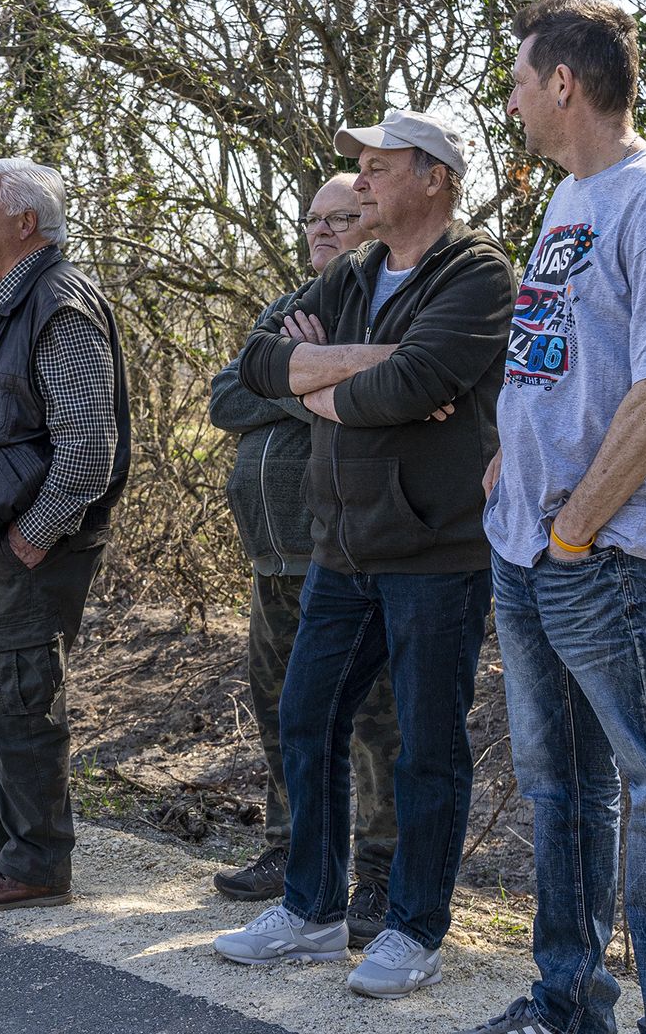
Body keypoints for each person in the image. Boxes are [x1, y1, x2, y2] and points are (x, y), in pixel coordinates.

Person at [461, 0, 646, 1034]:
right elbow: (565, 357)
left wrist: (578, 525)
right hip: (527, 547)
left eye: (521, 80)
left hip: (608, 554)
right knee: (562, 791)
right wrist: (511, 455)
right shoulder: (570, 199)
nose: (515, 99)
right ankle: (569, 1004)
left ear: (564, 84)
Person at [218, 109, 515, 1001]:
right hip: (339, 549)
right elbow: (258, 364)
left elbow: (420, 382)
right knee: (305, 718)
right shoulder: (351, 274)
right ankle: (309, 911)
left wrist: (333, 380)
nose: (359, 185)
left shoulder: (478, 274)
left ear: (432, 178)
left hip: (435, 551)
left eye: (378, 168)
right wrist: (361, 372)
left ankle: (415, 927)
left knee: (427, 746)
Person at [0, 159, 129, 911]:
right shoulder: (4, 299)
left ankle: (39, 861)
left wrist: (33, 537)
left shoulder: (58, 301)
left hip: (28, 545)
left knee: (23, 694)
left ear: (25, 223)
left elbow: (88, 449)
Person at [208, 175, 404, 943]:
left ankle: (379, 876)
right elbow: (227, 394)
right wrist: (311, 373)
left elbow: (383, 390)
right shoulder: (292, 304)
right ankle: (292, 852)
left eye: (340, 218)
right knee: (283, 714)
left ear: (373, 218)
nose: (321, 231)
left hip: (345, 552)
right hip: (271, 555)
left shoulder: (382, 298)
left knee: (372, 724)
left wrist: (300, 370)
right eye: (312, 220)